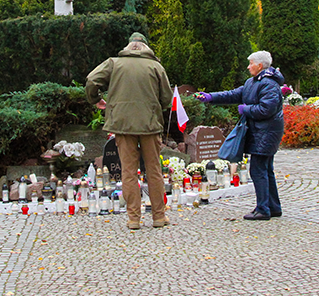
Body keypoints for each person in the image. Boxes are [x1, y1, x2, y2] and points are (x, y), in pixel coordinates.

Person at [85, 32, 174, 230]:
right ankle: (159, 216)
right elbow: (167, 100)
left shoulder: (113, 63)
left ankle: (134, 219)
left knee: (128, 171)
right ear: (146, 47)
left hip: (122, 124)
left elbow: (92, 80)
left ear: (129, 46)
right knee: (154, 170)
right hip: (149, 124)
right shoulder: (155, 66)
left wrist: (95, 99)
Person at [195, 51, 284, 220]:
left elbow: (267, 109)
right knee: (266, 169)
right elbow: (233, 94)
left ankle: (263, 209)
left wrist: (246, 109)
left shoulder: (268, 84)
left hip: (266, 132)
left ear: (259, 66)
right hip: (261, 131)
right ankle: (273, 207)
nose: (248, 66)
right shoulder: (254, 82)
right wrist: (210, 97)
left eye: (251, 63)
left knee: (258, 170)